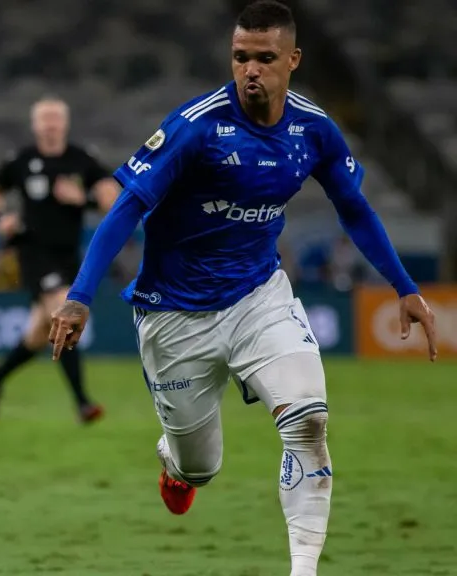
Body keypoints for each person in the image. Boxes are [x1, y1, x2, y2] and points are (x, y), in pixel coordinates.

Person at [50, 3, 438, 575]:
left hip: (260, 297)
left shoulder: (314, 129)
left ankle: (302, 570)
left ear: (293, 60)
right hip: (175, 315)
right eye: (240, 57)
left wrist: (404, 286)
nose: (250, 69)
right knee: (200, 467)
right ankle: (176, 463)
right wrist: (80, 296)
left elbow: (354, 208)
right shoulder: (196, 126)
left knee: (308, 421)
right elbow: (127, 207)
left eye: (264, 58)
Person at [0, 96, 118, 423]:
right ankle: (83, 403)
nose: (51, 124)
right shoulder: (22, 159)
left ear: (65, 123)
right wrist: (1, 217)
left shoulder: (82, 159)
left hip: (68, 254)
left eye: (56, 118)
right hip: (33, 252)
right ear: (35, 124)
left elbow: (111, 199)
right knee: (64, 311)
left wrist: (83, 198)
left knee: (40, 334)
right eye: (45, 118)